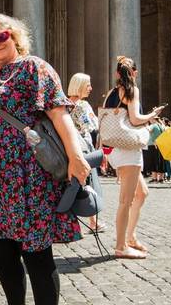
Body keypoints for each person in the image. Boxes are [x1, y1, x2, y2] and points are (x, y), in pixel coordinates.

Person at [0, 13, 90, 304]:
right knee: (2, 252)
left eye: (1, 36)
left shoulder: (33, 66)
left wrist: (76, 157)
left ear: (14, 36)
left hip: (28, 180)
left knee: (36, 254)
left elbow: (58, 112)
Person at [103, 56, 164, 259]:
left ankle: (130, 236)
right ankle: (121, 245)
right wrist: (152, 115)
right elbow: (136, 119)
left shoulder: (110, 93)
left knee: (142, 192)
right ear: (134, 73)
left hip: (114, 148)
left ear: (117, 74)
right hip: (128, 148)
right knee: (126, 200)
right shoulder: (131, 91)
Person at [67, 72, 106, 232]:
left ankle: (72, 224)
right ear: (80, 86)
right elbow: (92, 126)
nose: (90, 88)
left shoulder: (65, 103)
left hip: (70, 147)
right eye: (88, 85)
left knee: (73, 185)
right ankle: (93, 222)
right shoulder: (82, 105)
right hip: (84, 147)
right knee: (89, 182)